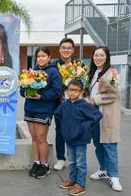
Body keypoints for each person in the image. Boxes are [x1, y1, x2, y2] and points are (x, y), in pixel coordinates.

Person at [20, 46, 62, 179]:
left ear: (49, 58)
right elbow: (21, 90)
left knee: (41, 138)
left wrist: (41, 97)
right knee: (33, 138)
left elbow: (56, 91)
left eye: (44, 56)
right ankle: (36, 162)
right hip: (30, 108)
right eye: (38, 56)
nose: (41, 58)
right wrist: (27, 93)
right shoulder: (31, 72)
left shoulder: (53, 72)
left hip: (44, 110)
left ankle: (45, 165)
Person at [55, 79, 102, 196]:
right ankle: (72, 180)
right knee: (71, 161)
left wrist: (85, 126)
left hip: (80, 139)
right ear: (67, 91)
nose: (72, 93)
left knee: (80, 162)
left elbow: (97, 115)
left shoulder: (84, 105)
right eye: (70, 90)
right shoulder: (65, 105)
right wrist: (64, 127)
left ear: (81, 93)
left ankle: (81, 184)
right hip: (69, 138)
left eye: (76, 90)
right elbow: (57, 114)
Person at [87, 46, 123, 191]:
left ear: (107, 57)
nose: (98, 58)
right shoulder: (93, 72)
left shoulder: (112, 72)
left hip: (107, 114)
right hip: (94, 114)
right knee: (98, 144)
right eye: (96, 55)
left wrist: (94, 100)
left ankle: (114, 177)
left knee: (109, 145)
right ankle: (103, 169)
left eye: (101, 55)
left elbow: (112, 94)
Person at [52, 38, 77, 171]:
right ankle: (61, 159)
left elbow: (84, 85)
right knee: (60, 131)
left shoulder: (79, 66)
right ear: (59, 49)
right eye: (63, 48)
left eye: (69, 48)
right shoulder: (53, 65)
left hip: (75, 105)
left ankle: (75, 160)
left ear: (73, 50)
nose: (66, 50)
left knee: (75, 131)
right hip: (59, 105)